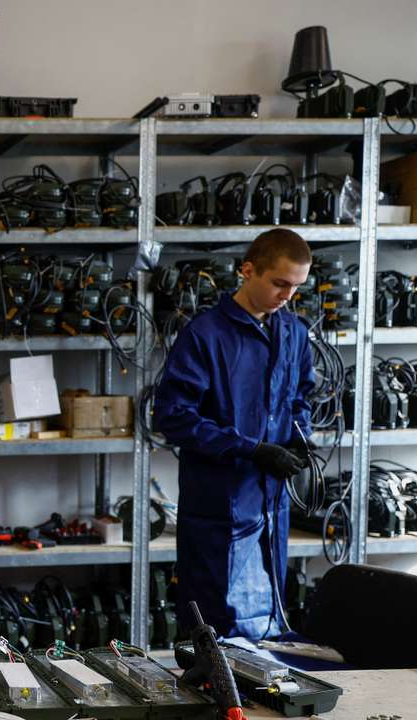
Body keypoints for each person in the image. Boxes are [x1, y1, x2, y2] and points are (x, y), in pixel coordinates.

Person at [155, 228, 314, 639]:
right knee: (214, 633)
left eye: (296, 287)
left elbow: (301, 396)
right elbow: (174, 417)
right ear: (248, 271)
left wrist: (300, 435)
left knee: (268, 628)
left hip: (270, 507)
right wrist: (251, 450)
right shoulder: (204, 335)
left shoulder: (293, 333)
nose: (287, 296)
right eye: (279, 283)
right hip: (217, 510)